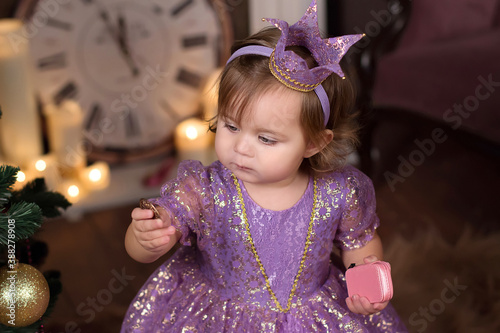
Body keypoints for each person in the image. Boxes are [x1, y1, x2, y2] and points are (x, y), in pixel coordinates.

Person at [121, 1, 407, 331]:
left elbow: (359, 242)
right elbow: (151, 238)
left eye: (266, 139)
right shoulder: (205, 190)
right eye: (231, 126)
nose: (241, 148)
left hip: (311, 312)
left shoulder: (339, 192)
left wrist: (364, 276)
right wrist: (145, 238)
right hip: (220, 317)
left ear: (314, 143)